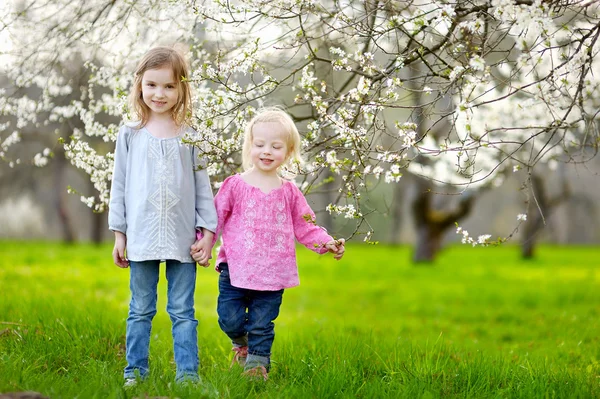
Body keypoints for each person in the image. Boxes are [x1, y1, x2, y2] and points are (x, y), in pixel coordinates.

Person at [192, 107, 345, 381]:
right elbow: (214, 218)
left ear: (287, 152)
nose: (266, 151)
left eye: (275, 146)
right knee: (229, 319)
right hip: (234, 270)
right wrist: (205, 243)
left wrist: (327, 242)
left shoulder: (289, 191)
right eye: (259, 144)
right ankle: (242, 345)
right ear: (250, 146)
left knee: (262, 324)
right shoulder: (234, 185)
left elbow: (305, 225)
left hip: (273, 274)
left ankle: (256, 367)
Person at [108, 46, 217, 386]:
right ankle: (135, 373)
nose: (159, 93)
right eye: (152, 85)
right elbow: (119, 185)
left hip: (184, 239)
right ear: (140, 84)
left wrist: (208, 234)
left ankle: (188, 376)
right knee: (140, 309)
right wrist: (119, 234)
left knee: (183, 312)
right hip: (140, 236)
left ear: (182, 88)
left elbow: (203, 187)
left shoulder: (191, 135)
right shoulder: (130, 132)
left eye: (169, 86)